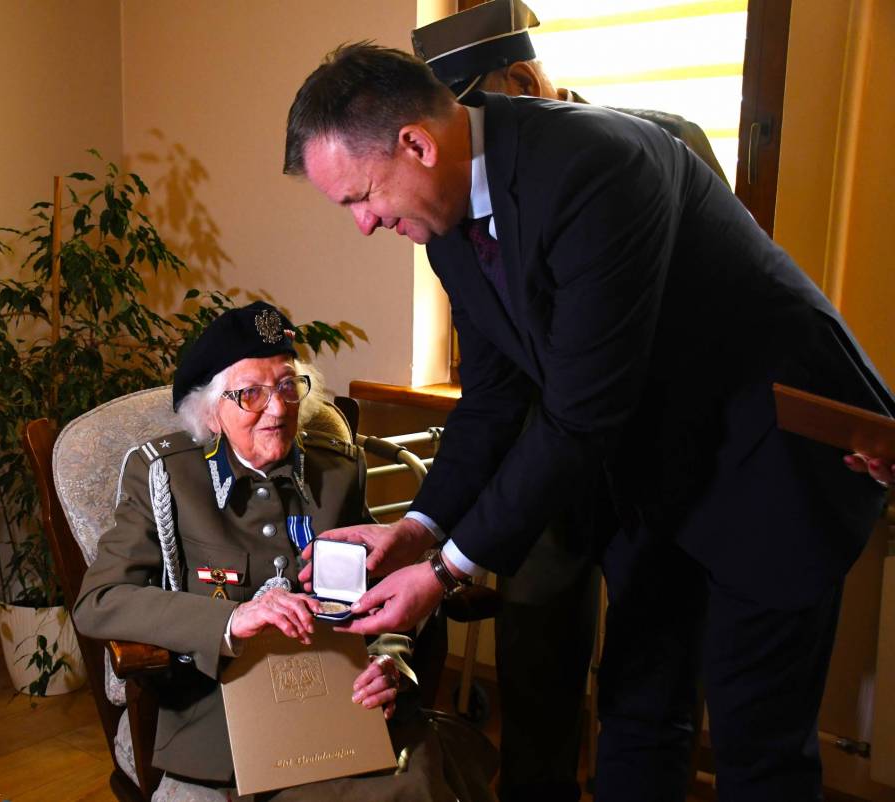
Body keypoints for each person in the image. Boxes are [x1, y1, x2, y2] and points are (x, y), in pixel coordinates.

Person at [283, 44, 895, 801]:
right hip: (655, 472)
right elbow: (494, 397)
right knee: (638, 711)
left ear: (417, 144)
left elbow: (579, 413)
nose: (364, 224)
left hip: (770, 465)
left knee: (757, 749)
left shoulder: (598, 165)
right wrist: (418, 529)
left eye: (360, 197)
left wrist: (445, 574)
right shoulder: (445, 226)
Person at [73, 301, 494, 802]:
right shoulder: (167, 477)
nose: (277, 409)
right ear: (211, 410)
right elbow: (99, 602)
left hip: (345, 703)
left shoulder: (338, 470)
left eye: (288, 386)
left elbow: (383, 593)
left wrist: (389, 663)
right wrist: (232, 619)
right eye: (251, 393)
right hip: (224, 716)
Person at [411, 0, 728, 182]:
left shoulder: (671, 139)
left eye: (472, 118)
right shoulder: (493, 178)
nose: (468, 139)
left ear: (523, 84)